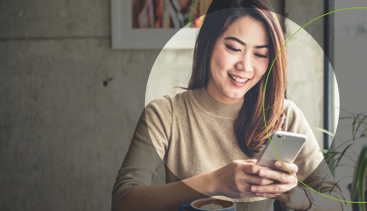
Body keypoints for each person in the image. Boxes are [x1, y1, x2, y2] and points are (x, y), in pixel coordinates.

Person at [113, 0, 347, 210]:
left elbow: (340, 201)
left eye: (260, 54)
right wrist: (215, 182)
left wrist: (297, 198)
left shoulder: (285, 115)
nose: (245, 66)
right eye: (234, 48)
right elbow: (123, 200)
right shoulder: (166, 114)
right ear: (207, 45)